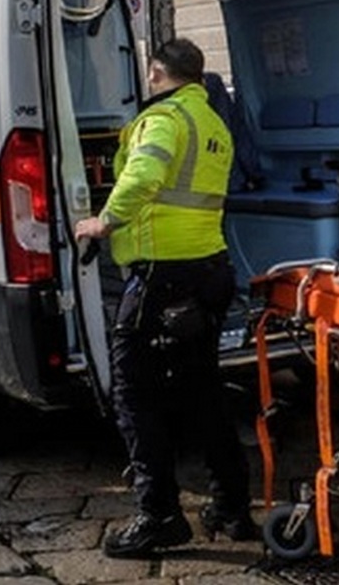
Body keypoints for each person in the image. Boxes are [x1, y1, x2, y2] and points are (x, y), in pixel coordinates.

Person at [75, 38, 256, 559]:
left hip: (161, 276)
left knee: (133, 393)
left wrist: (103, 222)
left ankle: (158, 515)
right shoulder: (213, 124)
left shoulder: (162, 120)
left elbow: (144, 176)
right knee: (204, 391)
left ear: (156, 72)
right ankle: (232, 506)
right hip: (210, 270)